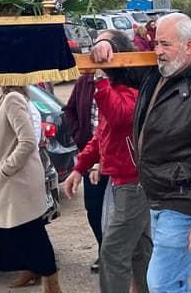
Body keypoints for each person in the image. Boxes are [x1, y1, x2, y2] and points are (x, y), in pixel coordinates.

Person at [91, 13, 191, 293]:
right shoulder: (161, 74)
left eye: (165, 44)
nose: (157, 51)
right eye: (157, 43)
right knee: (168, 282)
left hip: (183, 201)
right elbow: (122, 71)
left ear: (189, 46)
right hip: (157, 196)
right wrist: (107, 49)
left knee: (162, 284)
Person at [65, 30, 151, 293]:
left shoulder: (131, 92)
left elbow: (117, 116)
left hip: (133, 184)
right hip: (124, 183)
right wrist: (79, 167)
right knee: (139, 248)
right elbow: (101, 136)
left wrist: (100, 77)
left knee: (114, 252)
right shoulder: (114, 89)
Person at [0, 84, 61, 293]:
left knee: (30, 234)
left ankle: (51, 285)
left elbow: (28, 141)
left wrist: (5, 168)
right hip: (4, 183)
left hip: (16, 183)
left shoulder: (12, 99)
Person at [63, 72, 108, 274]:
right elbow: (70, 110)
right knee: (94, 209)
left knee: (121, 213)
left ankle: (122, 255)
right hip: (91, 156)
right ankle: (104, 250)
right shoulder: (85, 80)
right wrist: (79, 135)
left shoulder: (124, 76)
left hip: (119, 158)